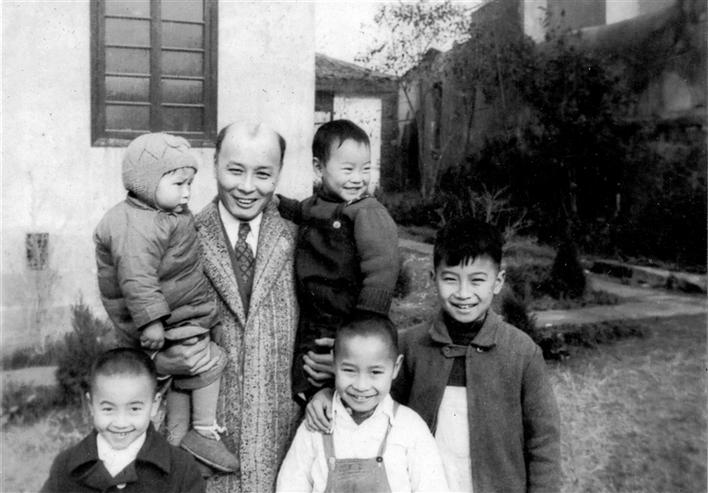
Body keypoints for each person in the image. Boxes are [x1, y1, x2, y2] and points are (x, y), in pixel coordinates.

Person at [307, 217, 561, 493]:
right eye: (450, 279)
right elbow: (369, 398)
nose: (463, 293)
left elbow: (543, 441)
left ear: (498, 281)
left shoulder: (522, 352)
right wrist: (328, 395)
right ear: (433, 279)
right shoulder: (408, 346)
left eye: (477, 280)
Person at [158, 121, 301, 493]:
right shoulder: (178, 238)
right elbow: (136, 336)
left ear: (279, 174)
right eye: (235, 170)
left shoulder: (301, 239)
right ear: (215, 164)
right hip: (200, 462)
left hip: (281, 454)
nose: (247, 187)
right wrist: (159, 362)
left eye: (263, 174)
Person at [93, 133, 237, 472]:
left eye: (190, 184)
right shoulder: (133, 225)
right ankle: (203, 430)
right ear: (147, 184)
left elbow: (185, 270)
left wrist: (208, 316)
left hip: (179, 312)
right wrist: (151, 322)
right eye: (178, 184)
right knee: (209, 362)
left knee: (183, 377)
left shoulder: (166, 213)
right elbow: (136, 277)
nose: (187, 193)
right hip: (161, 319)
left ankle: (176, 440)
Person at [278, 119, 399, 403]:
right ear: (319, 168)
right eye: (348, 169)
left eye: (366, 169)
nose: (358, 178)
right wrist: (277, 203)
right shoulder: (316, 205)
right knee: (307, 383)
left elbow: (382, 271)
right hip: (312, 320)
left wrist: (361, 332)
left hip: (349, 321)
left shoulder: (366, 212)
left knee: (345, 387)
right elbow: (298, 210)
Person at [276, 315, 448, 493]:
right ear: (334, 363)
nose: (361, 386)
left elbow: (433, 487)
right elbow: (290, 486)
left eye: (375, 372)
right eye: (349, 370)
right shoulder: (316, 424)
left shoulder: (410, 427)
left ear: (396, 367)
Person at [41, 348, 205, 493]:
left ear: (154, 405)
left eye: (134, 409)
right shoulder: (66, 465)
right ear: (91, 405)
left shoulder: (181, 468)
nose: (121, 423)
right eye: (108, 409)